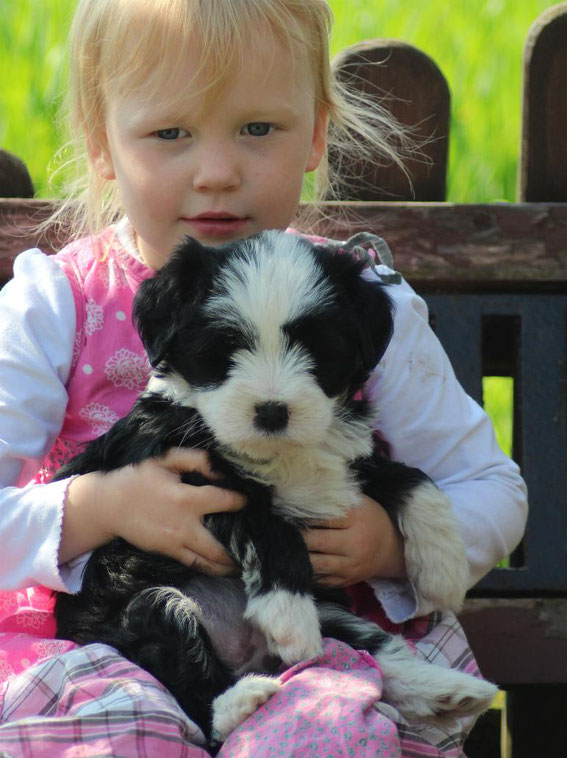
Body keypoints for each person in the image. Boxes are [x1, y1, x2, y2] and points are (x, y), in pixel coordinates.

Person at [0, 0, 527, 755]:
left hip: (313, 655)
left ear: (314, 132)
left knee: (323, 733)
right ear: (102, 144)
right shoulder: (58, 304)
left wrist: (388, 545)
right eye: (170, 133)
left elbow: (490, 490)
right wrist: (99, 505)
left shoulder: (357, 300)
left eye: (257, 129)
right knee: (119, 736)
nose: (217, 172)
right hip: (104, 653)